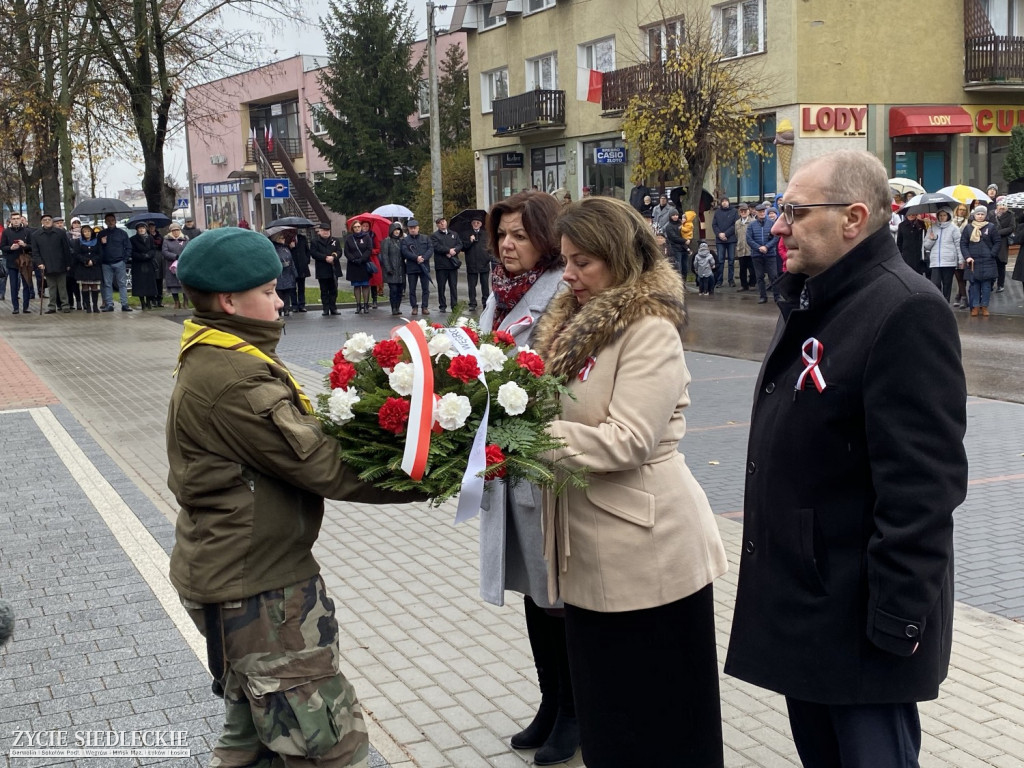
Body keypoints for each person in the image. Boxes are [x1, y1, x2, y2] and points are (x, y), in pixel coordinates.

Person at [725, 150, 968, 768]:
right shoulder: (819, 295)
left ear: (854, 218)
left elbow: (922, 489)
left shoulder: (904, 309)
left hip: (862, 624)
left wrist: (895, 623)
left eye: (796, 212)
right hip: (812, 605)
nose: (778, 226)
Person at [168, 226, 424, 768]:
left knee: (254, 742)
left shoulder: (221, 354)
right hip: (261, 591)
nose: (281, 299)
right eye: (268, 290)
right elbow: (323, 467)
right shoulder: (235, 377)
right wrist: (430, 473)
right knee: (327, 744)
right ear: (229, 300)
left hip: (243, 574)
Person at [533, 196, 729, 768]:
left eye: (582, 262)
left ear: (618, 258)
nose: (567, 275)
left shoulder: (648, 329)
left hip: (648, 550)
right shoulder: (575, 324)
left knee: (662, 715)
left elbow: (629, 440)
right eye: (565, 260)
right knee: (609, 713)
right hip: (592, 546)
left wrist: (527, 437)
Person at [478, 191, 577, 766]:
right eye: (502, 235)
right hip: (507, 468)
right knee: (533, 597)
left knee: (557, 596)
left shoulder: (564, 295)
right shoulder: (498, 292)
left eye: (518, 234)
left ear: (547, 238)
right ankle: (550, 702)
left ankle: (576, 712)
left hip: (546, 468)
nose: (507, 245)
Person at [960, 204, 1000, 317]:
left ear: (985, 215)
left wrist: (992, 254)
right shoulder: (968, 228)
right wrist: (967, 256)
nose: (980, 216)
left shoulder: (991, 227)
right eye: (978, 214)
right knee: (974, 285)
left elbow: (997, 242)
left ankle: (985, 306)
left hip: (988, 261)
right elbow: (963, 243)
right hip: (973, 261)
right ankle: (975, 306)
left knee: (986, 286)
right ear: (974, 215)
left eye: (982, 214)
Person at [32, 213, 73, 314]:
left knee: (62, 287)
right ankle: (52, 306)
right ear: (42, 222)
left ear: (52, 221)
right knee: (51, 287)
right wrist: (39, 263)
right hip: (47, 265)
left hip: (61, 263)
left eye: (49, 220)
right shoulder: (36, 235)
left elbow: (66, 249)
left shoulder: (60, 233)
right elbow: (35, 252)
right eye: (45, 220)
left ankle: (65, 305)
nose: (47, 221)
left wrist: (68, 263)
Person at [923, 205, 962, 303]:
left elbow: (958, 245)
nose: (942, 217)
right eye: (940, 215)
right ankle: (938, 303)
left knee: (947, 284)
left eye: (944, 215)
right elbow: (926, 246)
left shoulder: (954, 228)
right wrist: (932, 239)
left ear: (948, 216)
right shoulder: (932, 227)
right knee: (935, 283)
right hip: (935, 261)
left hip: (949, 261)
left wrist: (961, 260)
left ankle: (946, 303)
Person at [746, 202, 780, 304]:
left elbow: (776, 237)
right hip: (757, 255)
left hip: (770, 254)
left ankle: (777, 296)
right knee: (759, 276)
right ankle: (763, 296)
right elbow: (749, 239)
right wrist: (759, 247)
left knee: (773, 276)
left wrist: (766, 246)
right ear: (756, 212)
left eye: (763, 211)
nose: (762, 213)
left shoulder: (772, 223)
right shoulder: (751, 225)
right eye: (760, 211)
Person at [99, 213, 132, 312]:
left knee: (122, 284)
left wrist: (124, 260)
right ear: (105, 222)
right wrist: (102, 243)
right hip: (106, 263)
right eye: (108, 220)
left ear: (115, 221)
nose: (110, 222)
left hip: (119, 262)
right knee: (107, 284)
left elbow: (128, 247)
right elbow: (98, 249)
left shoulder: (122, 233)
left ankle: (124, 304)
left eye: (112, 220)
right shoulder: (102, 234)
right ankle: (109, 304)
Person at [1, 213, 33, 314]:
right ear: (10, 220)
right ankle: (15, 307)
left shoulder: (27, 231)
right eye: (14, 219)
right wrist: (10, 248)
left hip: (25, 262)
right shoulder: (6, 232)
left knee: (26, 284)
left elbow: (33, 246)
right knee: (14, 285)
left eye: (18, 219)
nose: (16, 221)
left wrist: (25, 245)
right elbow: (2, 247)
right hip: (12, 261)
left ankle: (26, 307)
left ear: (21, 220)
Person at [430, 217, 462, 313]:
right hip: (441, 265)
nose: (442, 224)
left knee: (453, 286)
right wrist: (447, 250)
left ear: (446, 222)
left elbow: (460, 244)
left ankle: (454, 305)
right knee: (441, 287)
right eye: (440, 223)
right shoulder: (434, 236)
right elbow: (436, 247)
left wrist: (454, 250)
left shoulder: (454, 234)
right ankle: (442, 305)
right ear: (437, 225)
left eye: (443, 221)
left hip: (452, 265)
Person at [401, 219, 432, 315]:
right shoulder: (405, 240)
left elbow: (430, 249)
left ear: (418, 228)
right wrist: (416, 258)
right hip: (412, 267)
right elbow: (405, 252)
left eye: (414, 228)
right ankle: (414, 307)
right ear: (408, 229)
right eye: (411, 228)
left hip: (424, 267)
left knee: (425, 289)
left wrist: (423, 258)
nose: (413, 230)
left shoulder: (425, 238)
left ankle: (425, 307)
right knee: (412, 289)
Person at [310, 223, 342, 316]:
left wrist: (333, 257)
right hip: (322, 268)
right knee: (324, 290)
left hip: (334, 268)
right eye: (324, 230)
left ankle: (333, 307)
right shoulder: (315, 241)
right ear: (319, 231)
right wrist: (325, 257)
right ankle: (325, 308)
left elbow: (339, 251)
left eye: (327, 230)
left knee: (333, 289)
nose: (326, 232)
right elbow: (314, 253)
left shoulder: (335, 240)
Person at [344, 220, 373, 314]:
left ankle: (366, 305)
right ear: (352, 228)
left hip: (364, 264)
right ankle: (358, 305)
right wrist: (353, 259)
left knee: (365, 285)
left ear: (361, 227)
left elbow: (369, 249)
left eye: (358, 226)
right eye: (355, 227)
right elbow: (346, 251)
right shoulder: (349, 238)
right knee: (356, 286)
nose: (357, 228)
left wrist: (362, 259)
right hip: (353, 265)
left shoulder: (367, 237)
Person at [129, 222, 160, 309]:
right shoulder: (133, 239)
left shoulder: (150, 238)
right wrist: (141, 256)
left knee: (149, 284)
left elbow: (153, 249)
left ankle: (149, 302)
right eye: (140, 228)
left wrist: (148, 255)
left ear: (146, 229)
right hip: (138, 264)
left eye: (143, 228)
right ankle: (142, 303)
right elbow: (132, 252)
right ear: (137, 230)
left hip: (149, 263)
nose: (141, 230)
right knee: (140, 284)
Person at [463, 216, 491, 311]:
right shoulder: (467, 234)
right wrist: (470, 241)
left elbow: (490, 248)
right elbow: (463, 247)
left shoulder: (486, 234)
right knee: (472, 286)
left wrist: (489, 258)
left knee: (485, 285)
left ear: (481, 224)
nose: (476, 224)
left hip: (484, 263)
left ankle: (485, 303)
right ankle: (472, 303)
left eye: (478, 222)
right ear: (471, 224)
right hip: (472, 264)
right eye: (474, 222)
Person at [379, 221, 406, 316]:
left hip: (401, 270)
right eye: (395, 230)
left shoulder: (402, 241)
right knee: (393, 290)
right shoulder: (386, 241)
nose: (397, 232)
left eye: (398, 230)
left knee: (400, 290)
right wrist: (388, 268)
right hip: (391, 270)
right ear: (391, 231)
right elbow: (384, 256)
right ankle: (393, 307)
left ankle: (398, 307)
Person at [269, 229, 298, 316]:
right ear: (277, 238)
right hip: (279, 274)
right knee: (279, 293)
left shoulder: (285, 248)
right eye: (281, 238)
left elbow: (291, 260)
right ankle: (280, 309)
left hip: (288, 273)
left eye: (283, 238)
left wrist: (294, 273)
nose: (283, 239)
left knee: (287, 293)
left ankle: (287, 309)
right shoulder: (273, 248)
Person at [75, 225, 103, 313]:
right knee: (85, 286)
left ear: (91, 232)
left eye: (88, 231)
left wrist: (93, 261)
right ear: (82, 233)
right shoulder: (79, 242)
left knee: (94, 286)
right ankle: (88, 305)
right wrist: (86, 261)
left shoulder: (97, 241)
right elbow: (77, 254)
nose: (87, 233)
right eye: (85, 232)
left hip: (95, 267)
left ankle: (95, 305)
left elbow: (100, 253)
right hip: (83, 267)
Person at [712, 196, 738, 287]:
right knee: (720, 261)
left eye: (726, 201)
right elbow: (714, 225)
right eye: (722, 201)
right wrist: (719, 234)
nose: (724, 203)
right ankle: (719, 280)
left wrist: (726, 234)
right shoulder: (717, 212)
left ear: (729, 202)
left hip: (731, 239)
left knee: (731, 260)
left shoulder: (734, 211)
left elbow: (735, 225)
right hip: (720, 240)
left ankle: (731, 280)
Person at [162, 222, 189, 309]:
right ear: (171, 231)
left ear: (180, 230)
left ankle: (186, 302)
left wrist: (182, 257)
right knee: (173, 285)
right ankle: (176, 302)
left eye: (177, 230)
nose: (176, 232)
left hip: (183, 264)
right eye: (173, 230)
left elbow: (189, 249)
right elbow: (164, 252)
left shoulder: (185, 239)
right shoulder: (166, 240)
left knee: (184, 284)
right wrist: (175, 256)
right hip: (171, 266)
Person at [952, 203, 970, 308]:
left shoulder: (968, 223)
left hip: (965, 250)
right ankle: (963, 297)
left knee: (963, 276)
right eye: (960, 209)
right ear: (956, 210)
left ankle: (960, 296)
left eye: (964, 210)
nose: (962, 211)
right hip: (954, 252)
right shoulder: (951, 222)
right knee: (958, 276)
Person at [994, 196, 1014, 292]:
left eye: (1004, 205)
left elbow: (1011, 228)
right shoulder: (991, 214)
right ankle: (990, 283)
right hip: (991, 242)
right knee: (991, 263)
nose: (1002, 207)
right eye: (1000, 204)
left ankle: (1000, 284)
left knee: (1001, 264)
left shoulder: (1010, 215)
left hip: (1003, 242)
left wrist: (998, 233)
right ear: (996, 205)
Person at [734, 202, 754, 291]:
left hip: (750, 248)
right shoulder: (737, 223)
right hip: (741, 249)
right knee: (742, 269)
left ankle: (752, 283)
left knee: (752, 268)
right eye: (741, 211)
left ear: (748, 211)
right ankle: (743, 285)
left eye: (745, 211)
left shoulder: (753, 222)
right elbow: (736, 235)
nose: (743, 212)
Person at [289, 230, 311, 312]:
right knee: (292, 287)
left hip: (302, 266)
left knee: (301, 287)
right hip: (292, 266)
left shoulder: (302, 238)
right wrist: (290, 247)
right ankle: (294, 305)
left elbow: (307, 250)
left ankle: (302, 305)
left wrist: (306, 260)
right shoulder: (288, 239)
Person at [664, 209, 688, 283]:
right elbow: (674, 237)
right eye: (673, 215)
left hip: (684, 248)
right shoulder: (668, 227)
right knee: (678, 267)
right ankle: (679, 283)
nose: (675, 217)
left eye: (676, 215)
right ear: (670, 216)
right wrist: (684, 240)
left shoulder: (681, 224)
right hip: (675, 248)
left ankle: (684, 283)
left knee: (685, 268)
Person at [148, 221, 165, 306]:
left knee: (159, 279)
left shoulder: (159, 236)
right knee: (151, 279)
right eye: (150, 227)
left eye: (153, 226)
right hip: (150, 257)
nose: (151, 228)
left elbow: (163, 246)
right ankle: (152, 298)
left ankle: (159, 298)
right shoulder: (147, 236)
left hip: (158, 257)